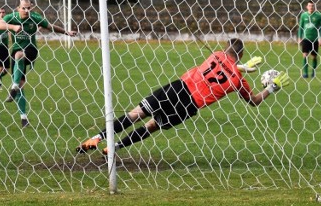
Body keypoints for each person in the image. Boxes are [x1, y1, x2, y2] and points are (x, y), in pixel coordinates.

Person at [76, 38, 290, 155]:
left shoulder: (215, 54)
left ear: (226, 47)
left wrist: (242, 66)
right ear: (241, 55)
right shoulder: (237, 81)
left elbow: (223, 65)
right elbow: (253, 101)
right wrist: (271, 88)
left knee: (137, 113)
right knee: (152, 126)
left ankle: (97, 138)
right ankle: (114, 148)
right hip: (189, 106)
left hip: (178, 87)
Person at [0, 0, 77, 128]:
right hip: (16, 50)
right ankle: (23, 118)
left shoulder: (35, 17)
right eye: (24, 8)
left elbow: (50, 27)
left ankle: (13, 87)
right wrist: (13, 27)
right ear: (18, 8)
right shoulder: (12, 17)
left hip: (31, 50)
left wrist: (66, 32)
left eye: (29, 8)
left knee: (19, 55)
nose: (26, 10)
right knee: (22, 83)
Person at [297, 0, 321, 78]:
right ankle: (305, 73)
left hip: (315, 39)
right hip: (306, 39)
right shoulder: (303, 15)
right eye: (309, 6)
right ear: (307, 7)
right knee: (305, 55)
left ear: (314, 7)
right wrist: (299, 38)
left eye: (312, 6)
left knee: (314, 56)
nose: (311, 7)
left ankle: (313, 72)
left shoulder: (319, 16)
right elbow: (301, 27)